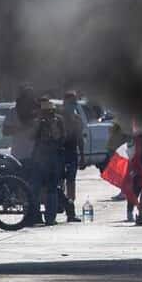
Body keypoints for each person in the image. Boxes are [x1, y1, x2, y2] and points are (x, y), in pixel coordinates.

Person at [3, 86, 42, 223]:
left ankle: (35, 213)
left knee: (35, 186)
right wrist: (21, 128)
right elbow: (5, 130)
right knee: (23, 186)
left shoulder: (38, 112)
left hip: (36, 155)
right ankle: (28, 213)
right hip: (19, 155)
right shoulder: (13, 112)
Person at [34, 97, 67, 226]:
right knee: (50, 189)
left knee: (44, 188)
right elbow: (63, 138)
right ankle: (49, 217)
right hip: (51, 158)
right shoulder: (58, 120)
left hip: (45, 158)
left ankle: (44, 216)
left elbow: (34, 138)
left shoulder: (45, 122)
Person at [60, 92, 84, 222]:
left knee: (71, 182)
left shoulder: (77, 119)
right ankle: (58, 205)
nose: (72, 105)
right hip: (59, 153)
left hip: (72, 153)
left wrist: (82, 156)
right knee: (58, 182)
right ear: (64, 103)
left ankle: (71, 211)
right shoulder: (58, 118)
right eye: (70, 103)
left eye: (74, 103)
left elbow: (80, 138)